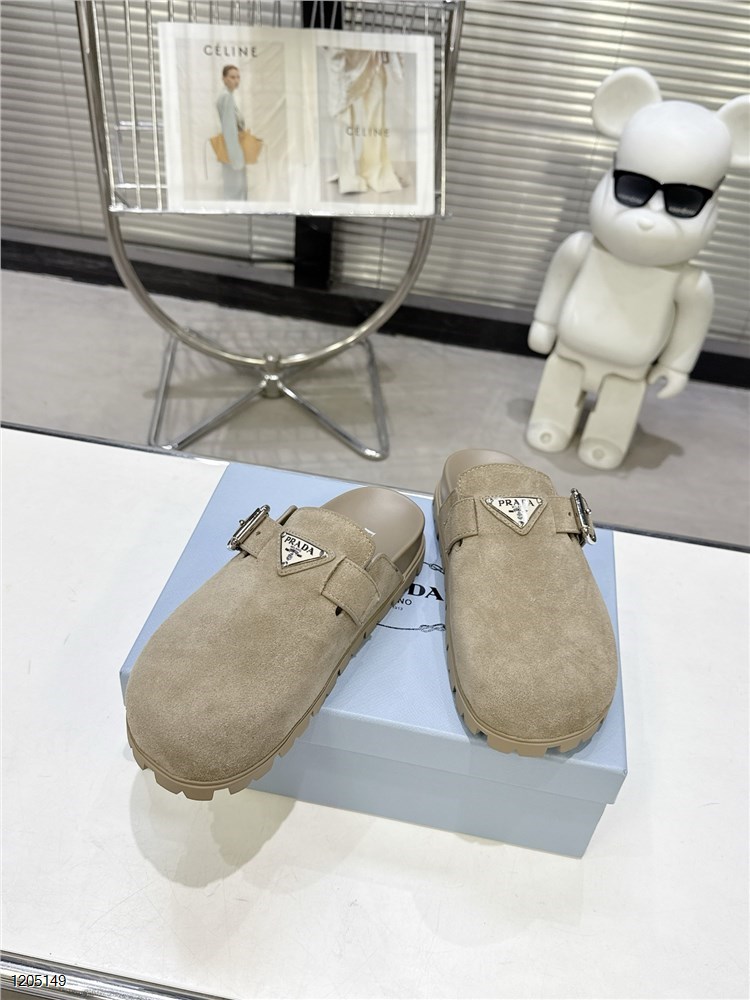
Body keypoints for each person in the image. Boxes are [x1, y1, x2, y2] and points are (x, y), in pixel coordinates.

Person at [216, 64, 247, 200]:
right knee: (235, 190)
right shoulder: (226, 97)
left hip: (232, 149)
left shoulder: (228, 96)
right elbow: (229, 129)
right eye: (232, 77)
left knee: (233, 189)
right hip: (232, 151)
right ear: (224, 78)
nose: (236, 80)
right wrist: (236, 158)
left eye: (238, 77)